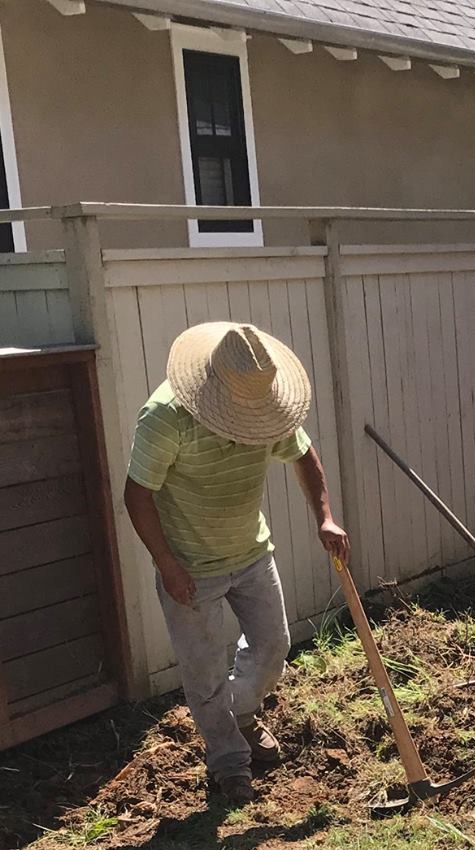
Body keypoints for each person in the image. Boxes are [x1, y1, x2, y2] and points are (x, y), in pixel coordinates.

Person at [122, 321, 349, 808]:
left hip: (250, 554)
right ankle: (229, 763)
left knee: (273, 648)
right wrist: (167, 564)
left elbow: (304, 456)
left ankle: (240, 718)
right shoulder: (166, 417)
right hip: (189, 566)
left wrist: (325, 518)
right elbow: (136, 495)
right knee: (203, 673)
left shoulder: (266, 409)